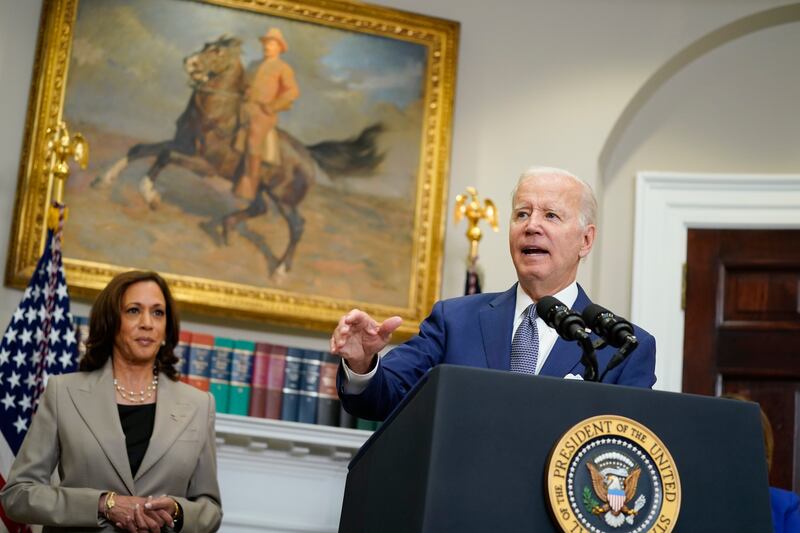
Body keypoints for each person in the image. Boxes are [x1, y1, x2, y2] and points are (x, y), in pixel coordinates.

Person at [330, 166, 657, 421]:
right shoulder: (454, 321)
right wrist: (362, 363)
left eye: (551, 215)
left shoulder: (626, 346)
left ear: (585, 241)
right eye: (522, 213)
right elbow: (384, 398)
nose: (531, 226)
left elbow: (623, 451)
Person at [0, 271, 222, 532]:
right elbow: (17, 494)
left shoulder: (199, 405)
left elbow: (211, 510)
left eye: (158, 313)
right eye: (133, 310)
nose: (147, 323)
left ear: (166, 329)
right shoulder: (63, 392)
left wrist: (176, 511)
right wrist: (103, 503)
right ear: (111, 321)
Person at [234, 27, 300, 200]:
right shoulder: (253, 65)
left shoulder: (283, 68)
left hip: (264, 113)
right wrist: (245, 90)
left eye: (271, 43)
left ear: (279, 47)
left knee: (253, 139)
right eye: (265, 43)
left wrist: (272, 106)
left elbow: (292, 92)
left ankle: (249, 184)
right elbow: (244, 84)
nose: (267, 46)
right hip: (245, 107)